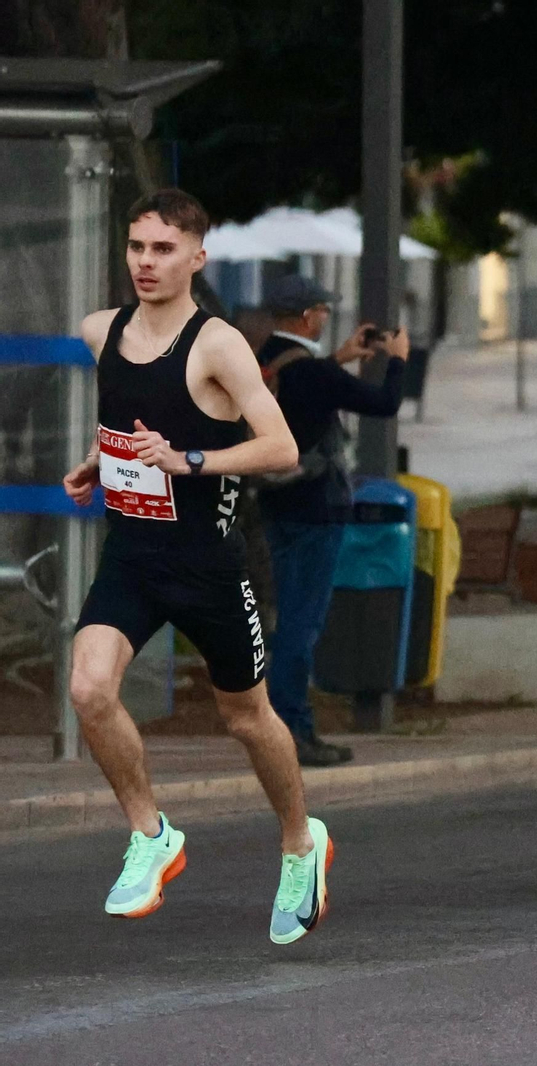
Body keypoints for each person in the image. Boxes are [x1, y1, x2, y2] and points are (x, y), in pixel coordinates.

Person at [61, 189, 333, 944]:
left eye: (163, 249)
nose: (146, 262)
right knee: (88, 687)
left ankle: (300, 845)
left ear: (197, 258)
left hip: (208, 564)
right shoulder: (101, 331)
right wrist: (98, 460)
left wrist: (189, 460)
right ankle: (152, 835)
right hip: (131, 556)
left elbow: (280, 447)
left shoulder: (218, 346)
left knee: (246, 716)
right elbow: (128, 419)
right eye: (136, 247)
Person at [256, 274, 410, 767]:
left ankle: (279, 727)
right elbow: (384, 404)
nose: (325, 317)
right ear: (307, 317)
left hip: (276, 504)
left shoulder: (265, 361)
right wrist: (398, 359)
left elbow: (302, 390)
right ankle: (292, 732)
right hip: (317, 511)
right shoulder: (315, 375)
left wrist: (340, 358)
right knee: (302, 626)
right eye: (322, 310)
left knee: (288, 617)